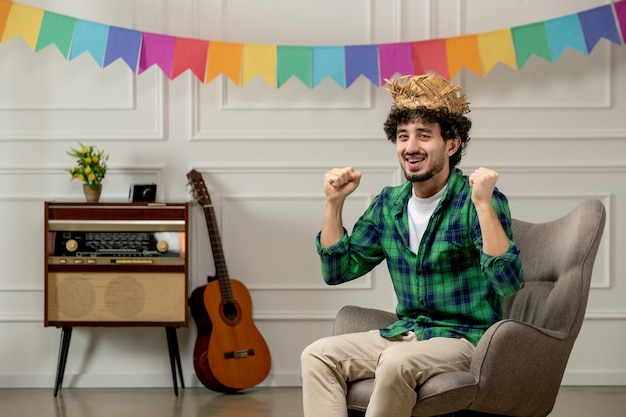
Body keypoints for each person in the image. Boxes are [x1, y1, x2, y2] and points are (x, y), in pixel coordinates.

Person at [300, 73, 523, 417]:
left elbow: (507, 282)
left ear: (451, 145)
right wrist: (334, 203)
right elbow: (337, 270)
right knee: (316, 354)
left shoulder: (475, 201)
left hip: (465, 339)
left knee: (394, 361)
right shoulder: (388, 205)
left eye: (424, 135)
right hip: (407, 333)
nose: (410, 146)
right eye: (403, 136)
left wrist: (483, 205)